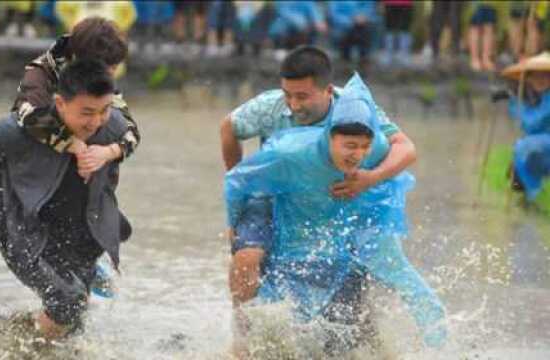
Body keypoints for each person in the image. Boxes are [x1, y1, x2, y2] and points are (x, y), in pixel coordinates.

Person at [0, 16, 140, 311]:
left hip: (65, 172)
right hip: (18, 164)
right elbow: (27, 116)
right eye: (105, 70)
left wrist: (108, 151)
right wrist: (72, 144)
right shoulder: (40, 73)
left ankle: (86, 265)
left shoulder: (97, 82)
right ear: (79, 61)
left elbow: (130, 131)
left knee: (79, 213)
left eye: (112, 71)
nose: (109, 77)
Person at [224, 73, 447, 355]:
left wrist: (371, 177)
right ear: (329, 136)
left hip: (347, 218)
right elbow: (237, 181)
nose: (357, 155)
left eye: (363, 147)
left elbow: (406, 148)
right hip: (281, 204)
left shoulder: (374, 143)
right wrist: (234, 222)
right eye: (349, 146)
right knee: (258, 271)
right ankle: (241, 342)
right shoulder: (288, 150)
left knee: (347, 335)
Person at [0, 58, 129, 339]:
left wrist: (107, 157)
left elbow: (128, 144)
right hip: (25, 233)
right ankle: (12, 346)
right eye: (86, 112)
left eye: (104, 110)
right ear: (60, 103)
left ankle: (14, 337)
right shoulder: (20, 131)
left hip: (76, 235)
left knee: (75, 319)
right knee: (68, 303)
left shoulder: (113, 127)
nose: (96, 122)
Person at [502, 52, 550, 201]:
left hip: (543, 148)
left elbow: (532, 123)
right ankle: (530, 199)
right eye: (535, 76)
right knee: (518, 166)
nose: (540, 80)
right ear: (528, 78)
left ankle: (533, 195)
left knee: (522, 147)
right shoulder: (531, 97)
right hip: (539, 152)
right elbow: (524, 121)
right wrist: (512, 99)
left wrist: (513, 101)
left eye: (545, 76)